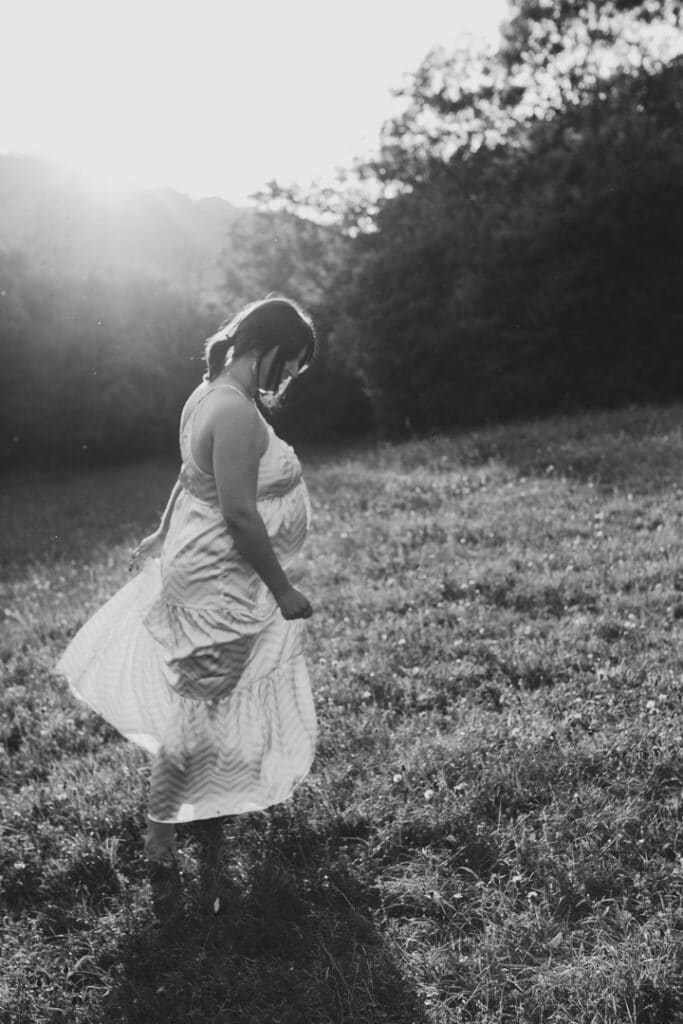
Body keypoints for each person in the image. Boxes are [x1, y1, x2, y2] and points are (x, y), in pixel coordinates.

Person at [56, 296, 317, 864]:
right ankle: (161, 834)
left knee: (212, 700)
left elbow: (188, 476)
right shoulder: (234, 412)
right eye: (292, 361)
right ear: (267, 348)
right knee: (198, 710)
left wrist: (159, 530)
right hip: (220, 585)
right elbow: (240, 514)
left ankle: (209, 800)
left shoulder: (208, 394)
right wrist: (282, 589)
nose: (292, 375)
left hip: (212, 572)